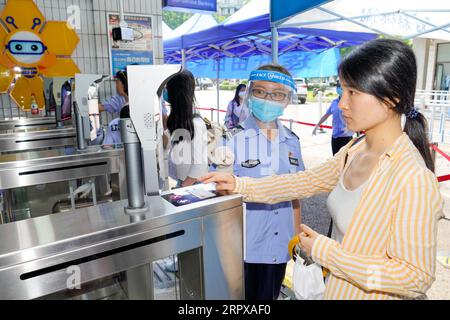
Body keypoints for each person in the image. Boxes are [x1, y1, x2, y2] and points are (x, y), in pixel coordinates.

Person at [200, 39, 444, 300]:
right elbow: (304, 181)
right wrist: (239, 185)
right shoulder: (356, 148)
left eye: (353, 93)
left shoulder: (413, 178)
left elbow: (414, 277)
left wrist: (325, 251)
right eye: (342, 91)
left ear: (392, 97)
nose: (341, 104)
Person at [214, 64, 305, 300]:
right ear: (250, 94)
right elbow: (220, 198)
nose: (268, 99)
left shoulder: (292, 142)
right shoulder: (232, 140)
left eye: (277, 94)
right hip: (245, 247)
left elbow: (295, 195)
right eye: (261, 92)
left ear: (287, 100)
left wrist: (296, 238)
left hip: (280, 245)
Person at [166, 70, 208, 188]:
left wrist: (183, 187)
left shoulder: (196, 124)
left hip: (193, 185)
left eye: (167, 88)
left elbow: (199, 164)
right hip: (185, 182)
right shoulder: (179, 121)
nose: (165, 92)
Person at [313, 80, 354, 155]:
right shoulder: (334, 102)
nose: (338, 88)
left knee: (344, 161)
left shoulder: (351, 102)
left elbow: (356, 117)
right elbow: (326, 115)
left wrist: (350, 127)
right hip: (335, 136)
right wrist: (317, 125)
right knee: (335, 160)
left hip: (346, 137)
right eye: (337, 86)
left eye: (340, 87)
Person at [103, 70, 129, 145]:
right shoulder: (118, 98)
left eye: (117, 83)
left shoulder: (114, 124)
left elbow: (107, 146)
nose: (116, 86)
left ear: (123, 84)